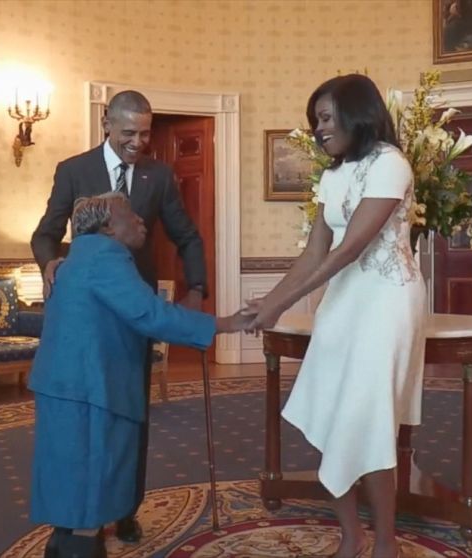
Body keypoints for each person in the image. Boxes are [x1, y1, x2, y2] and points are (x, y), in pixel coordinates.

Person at [246, 74, 426, 558]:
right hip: (343, 302)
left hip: (388, 300)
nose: (319, 129)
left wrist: (279, 306)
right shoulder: (331, 176)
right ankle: (352, 535)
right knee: (330, 412)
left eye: (325, 118)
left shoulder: (391, 163)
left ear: (355, 113)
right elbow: (314, 255)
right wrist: (267, 300)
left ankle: (385, 542)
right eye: (316, 121)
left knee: (367, 419)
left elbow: (351, 249)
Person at [29, 193, 249, 558]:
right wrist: (224, 324)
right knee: (90, 497)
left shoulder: (71, 261)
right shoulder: (105, 259)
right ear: (108, 227)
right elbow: (152, 316)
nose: (141, 220)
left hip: (61, 387)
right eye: (131, 214)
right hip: (92, 391)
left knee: (68, 494)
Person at [30, 90, 207, 543]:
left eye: (145, 133)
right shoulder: (74, 170)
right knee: (81, 420)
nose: (138, 142)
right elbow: (46, 232)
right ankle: (71, 516)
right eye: (129, 132)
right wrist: (50, 261)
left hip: (133, 312)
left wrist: (197, 289)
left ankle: (124, 506)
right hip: (88, 316)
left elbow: (186, 235)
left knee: (131, 412)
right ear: (107, 123)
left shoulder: (159, 176)